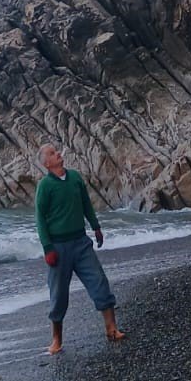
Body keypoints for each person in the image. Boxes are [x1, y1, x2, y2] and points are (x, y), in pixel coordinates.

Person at [34, 142, 125, 354]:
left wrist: (96, 227)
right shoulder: (45, 186)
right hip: (58, 247)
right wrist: (48, 248)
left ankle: (112, 329)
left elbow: (86, 205)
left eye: (56, 151)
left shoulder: (74, 177)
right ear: (46, 163)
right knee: (58, 295)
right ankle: (56, 339)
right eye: (52, 153)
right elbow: (40, 219)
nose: (57, 153)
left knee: (99, 281)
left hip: (81, 242)